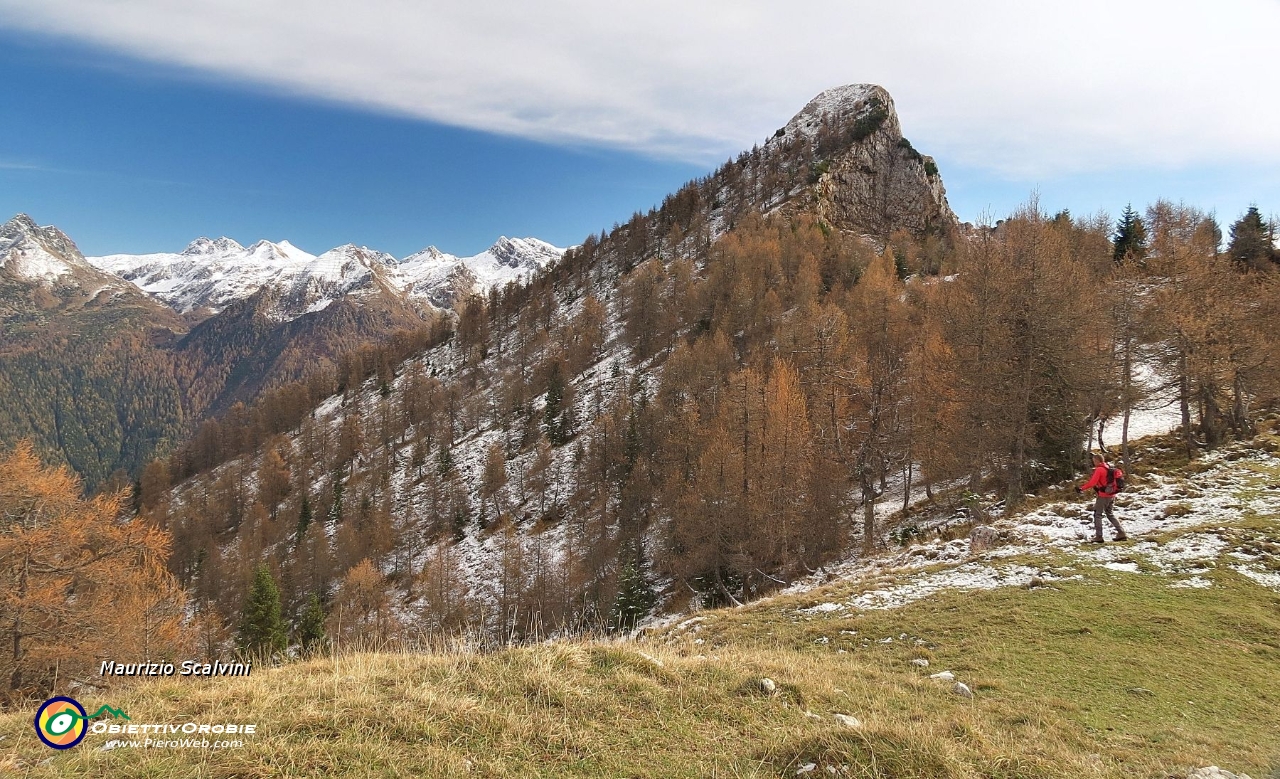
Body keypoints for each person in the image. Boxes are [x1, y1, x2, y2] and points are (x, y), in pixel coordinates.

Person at [1077, 452, 1127, 543]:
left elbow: (1092, 483)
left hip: (1103, 496)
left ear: (1097, 460)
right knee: (1110, 514)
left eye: (1094, 461)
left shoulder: (1099, 469)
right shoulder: (1108, 467)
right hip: (1112, 495)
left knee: (1097, 514)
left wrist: (1081, 488)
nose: (1093, 463)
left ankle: (1099, 536)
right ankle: (1121, 532)